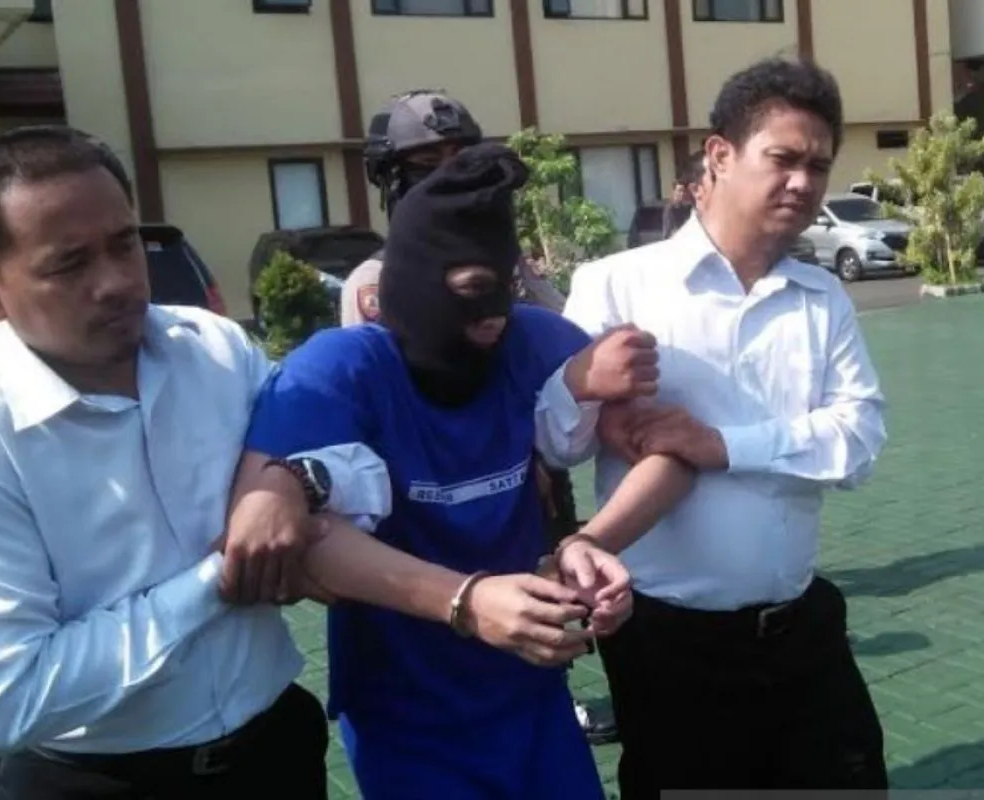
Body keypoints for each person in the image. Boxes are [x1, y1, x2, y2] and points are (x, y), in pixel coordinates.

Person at [0, 125, 606, 800]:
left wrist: (290, 483)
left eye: (124, 244)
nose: (115, 281)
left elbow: (357, 478)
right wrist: (219, 578)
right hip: (99, 780)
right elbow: (4, 700)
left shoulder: (212, 350)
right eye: (69, 264)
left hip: (270, 753)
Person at [239, 142, 682, 799]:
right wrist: (467, 602)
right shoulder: (338, 369)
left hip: (530, 690)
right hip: (405, 710)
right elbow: (281, 526)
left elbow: (670, 452)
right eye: (473, 290)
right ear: (411, 284)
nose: (494, 314)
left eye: (507, 287)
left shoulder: (534, 341)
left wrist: (589, 543)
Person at [562, 57, 889, 795]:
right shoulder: (617, 285)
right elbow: (556, 441)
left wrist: (722, 446)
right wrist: (584, 387)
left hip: (802, 630)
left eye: (818, 166)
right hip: (670, 642)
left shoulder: (820, 297)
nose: (802, 182)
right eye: (782, 158)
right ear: (719, 155)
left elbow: (859, 438)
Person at [344, 87, 615, 742]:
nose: (447, 177)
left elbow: (556, 340)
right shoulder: (375, 284)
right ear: (390, 179)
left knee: (543, 617)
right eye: (424, 165)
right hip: (429, 505)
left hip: (524, 484)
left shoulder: (506, 265)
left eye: (460, 160)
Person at [659, 154, 706, 239]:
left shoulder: (690, 207)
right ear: (674, 192)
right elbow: (667, 230)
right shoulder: (670, 209)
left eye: (683, 191)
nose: (682, 193)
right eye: (679, 190)